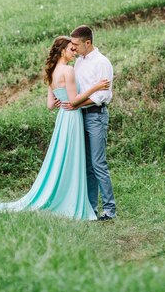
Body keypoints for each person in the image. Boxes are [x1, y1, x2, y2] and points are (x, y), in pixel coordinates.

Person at [0, 36, 110, 220]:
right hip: (72, 117)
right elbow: (74, 101)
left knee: (65, 158)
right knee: (72, 159)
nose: (74, 51)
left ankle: (72, 195)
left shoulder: (52, 71)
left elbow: (49, 105)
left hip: (63, 117)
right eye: (71, 49)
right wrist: (95, 87)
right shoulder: (69, 70)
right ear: (62, 51)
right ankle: (71, 198)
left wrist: (60, 98)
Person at [65, 25, 116, 221]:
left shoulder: (102, 62)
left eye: (77, 44)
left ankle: (110, 210)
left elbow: (102, 94)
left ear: (88, 43)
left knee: (98, 163)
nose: (74, 48)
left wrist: (77, 104)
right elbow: (77, 90)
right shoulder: (78, 62)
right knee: (87, 165)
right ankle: (91, 208)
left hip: (96, 116)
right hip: (80, 117)